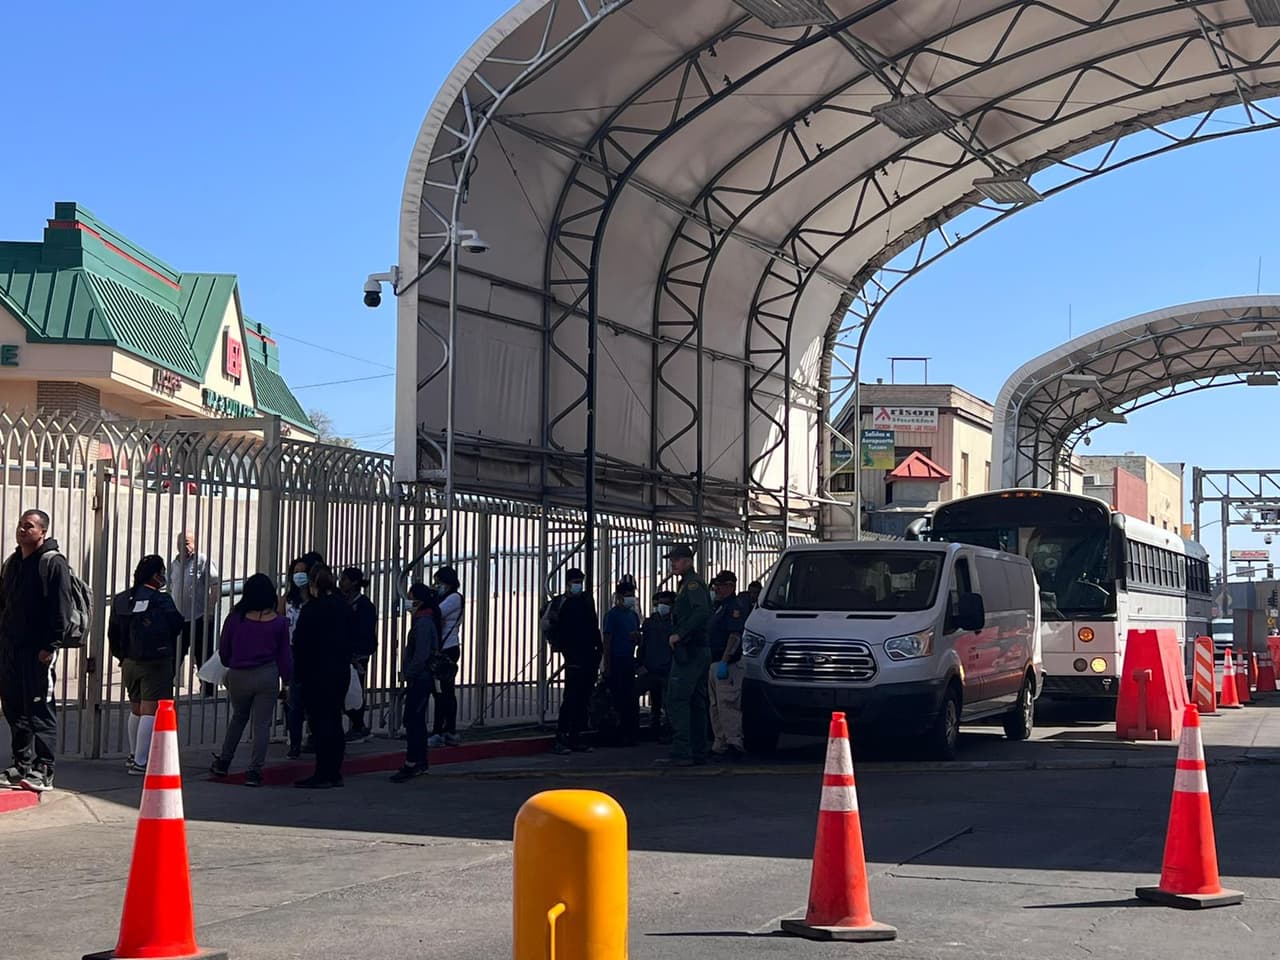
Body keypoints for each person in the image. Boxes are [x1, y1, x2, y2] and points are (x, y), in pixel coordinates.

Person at [0, 510, 75, 792]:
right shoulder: (12, 563)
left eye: (28, 526)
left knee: (39, 709)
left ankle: (45, 770)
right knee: (14, 709)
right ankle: (21, 765)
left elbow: (61, 610)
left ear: (42, 531)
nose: (22, 529)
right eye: (20, 524)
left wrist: (49, 646)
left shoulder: (51, 563)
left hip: (37, 652)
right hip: (10, 650)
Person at [210, 574, 292, 787]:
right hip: (267, 674)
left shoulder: (235, 618)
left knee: (238, 718)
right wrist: (288, 682)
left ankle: (224, 762)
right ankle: (254, 771)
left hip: (239, 674)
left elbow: (225, 649)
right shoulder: (280, 623)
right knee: (262, 725)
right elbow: (284, 656)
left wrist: (232, 663)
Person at [108, 555, 184, 775]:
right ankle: (142, 762)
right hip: (156, 662)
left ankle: (134, 755)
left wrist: (121, 657)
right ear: (156, 575)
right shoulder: (161, 599)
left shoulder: (122, 599)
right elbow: (177, 624)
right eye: (162, 572)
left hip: (129, 661)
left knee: (137, 708)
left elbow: (112, 632)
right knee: (150, 710)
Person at [291, 564, 354, 788]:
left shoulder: (312, 610)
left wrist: (296, 674)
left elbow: (300, 644)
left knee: (320, 723)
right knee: (334, 720)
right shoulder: (343, 607)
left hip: (316, 673)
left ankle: (323, 772)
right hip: (339, 671)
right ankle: (334, 772)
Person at [662, 545, 712, 767]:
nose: (673, 563)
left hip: (690, 649)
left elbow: (701, 611)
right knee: (695, 701)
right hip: (697, 649)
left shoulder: (692, 584)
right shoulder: (687, 583)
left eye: (678, 559)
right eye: (672, 559)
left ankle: (682, 749)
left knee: (678, 699)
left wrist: (679, 634)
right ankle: (698, 750)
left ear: (688, 561)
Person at [546, 568, 602, 755]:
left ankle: (577, 736)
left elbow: (593, 625)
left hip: (589, 653)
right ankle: (561, 737)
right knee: (571, 697)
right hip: (572, 654)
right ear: (568, 583)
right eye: (575, 581)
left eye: (580, 581)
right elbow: (548, 624)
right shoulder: (560, 602)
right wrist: (557, 644)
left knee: (584, 696)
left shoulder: (586, 600)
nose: (578, 585)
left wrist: (598, 648)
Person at [391, 584, 441, 783]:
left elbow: (421, 654)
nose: (408, 601)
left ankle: (413, 761)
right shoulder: (425, 619)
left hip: (420, 677)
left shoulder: (423, 623)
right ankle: (419, 761)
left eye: (410, 597)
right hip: (422, 677)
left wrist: (409, 673)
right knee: (416, 720)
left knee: (413, 720)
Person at [168, 531, 220, 698]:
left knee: (203, 656)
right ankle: (165, 691)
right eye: (181, 543)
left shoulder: (203, 561)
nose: (184, 547)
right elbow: (170, 588)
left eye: (188, 543)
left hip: (200, 618)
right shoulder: (173, 564)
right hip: (178, 619)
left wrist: (209, 610)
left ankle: (208, 692)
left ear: (195, 544)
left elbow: (215, 586)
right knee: (174, 657)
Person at [707, 570, 749, 760]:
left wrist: (725, 660)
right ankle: (720, 742)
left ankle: (734, 743)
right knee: (716, 706)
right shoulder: (719, 606)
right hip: (715, 662)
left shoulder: (734, 607)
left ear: (731, 586)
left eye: (721, 585)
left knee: (728, 705)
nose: (717, 588)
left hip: (729, 665)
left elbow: (734, 636)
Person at [601, 578, 641, 746]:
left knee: (631, 699)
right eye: (627, 595)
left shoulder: (633, 615)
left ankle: (630, 732)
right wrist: (608, 665)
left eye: (632, 594)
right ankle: (618, 734)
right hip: (616, 660)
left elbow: (637, 638)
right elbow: (607, 641)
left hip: (628, 660)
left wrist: (636, 639)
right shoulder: (612, 616)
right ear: (619, 596)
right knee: (618, 698)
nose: (631, 598)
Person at [340, 567, 377, 743]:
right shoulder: (343, 602)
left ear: (354, 582)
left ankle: (358, 725)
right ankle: (357, 724)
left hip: (358, 654)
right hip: (346, 653)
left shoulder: (364, 606)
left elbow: (364, 632)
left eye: (345, 579)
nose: (342, 582)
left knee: (355, 689)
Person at [280, 556, 313, 759]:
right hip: (292, 652)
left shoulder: (314, 599)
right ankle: (294, 742)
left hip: (311, 651)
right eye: (296, 571)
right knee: (293, 701)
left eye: (303, 571)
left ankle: (313, 736)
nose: (299, 575)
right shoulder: (286, 599)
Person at [428, 565, 463, 748]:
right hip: (440, 648)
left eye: (439, 582)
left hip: (448, 649)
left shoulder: (454, 598)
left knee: (444, 692)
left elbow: (436, 613)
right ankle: (445, 730)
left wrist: (429, 599)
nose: (436, 586)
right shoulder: (443, 597)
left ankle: (444, 730)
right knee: (441, 691)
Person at [637, 590, 676, 742]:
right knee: (654, 701)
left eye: (666, 603)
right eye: (661, 603)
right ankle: (653, 728)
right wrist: (640, 663)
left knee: (668, 704)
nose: (662, 606)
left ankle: (668, 731)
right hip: (651, 669)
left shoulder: (676, 623)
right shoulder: (650, 622)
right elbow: (643, 645)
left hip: (667, 670)